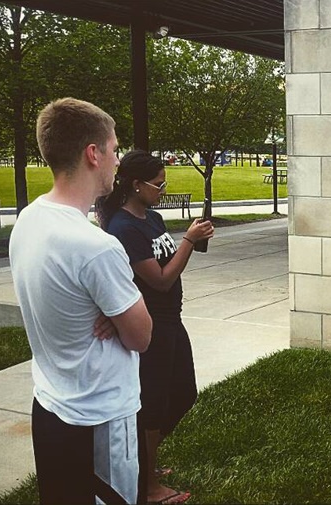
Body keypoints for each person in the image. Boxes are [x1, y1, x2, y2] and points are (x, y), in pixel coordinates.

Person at [9, 97, 152, 504]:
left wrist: (110, 305)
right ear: (94, 153)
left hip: (50, 405)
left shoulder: (29, 219)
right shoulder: (97, 247)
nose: (118, 159)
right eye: (115, 148)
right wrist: (117, 305)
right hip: (100, 418)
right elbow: (141, 336)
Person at [95, 150, 214, 505]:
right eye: (158, 184)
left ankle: (143, 461)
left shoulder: (152, 217)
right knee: (152, 407)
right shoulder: (123, 227)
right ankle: (147, 487)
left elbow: (165, 260)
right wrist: (189, 241)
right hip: (152, 324)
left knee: (183, 394)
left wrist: (190, 240)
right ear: (135, 185)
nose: (163, 189)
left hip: (171, 319)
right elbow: (160, 280)